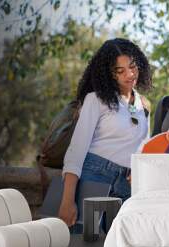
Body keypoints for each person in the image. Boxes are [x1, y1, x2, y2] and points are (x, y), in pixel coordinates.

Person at [58, 38, 152, 229]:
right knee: (85, 245)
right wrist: (67, 200)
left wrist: (139, 168)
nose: (130, 74)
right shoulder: (96, 100)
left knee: (119, 246)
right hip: (95, 176)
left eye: (133, 67)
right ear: (109, 74)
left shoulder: (144, 104)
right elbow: (76, 150)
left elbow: (144, 147)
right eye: (120, 70)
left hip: (128, 185)